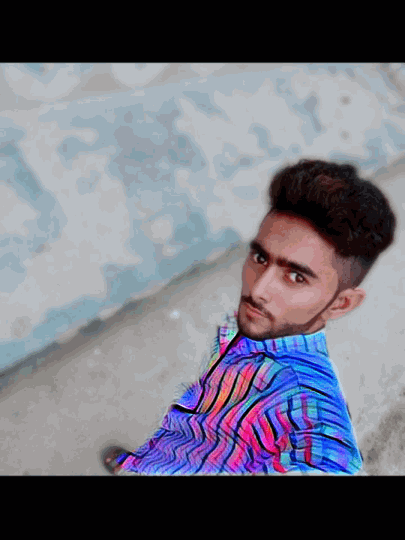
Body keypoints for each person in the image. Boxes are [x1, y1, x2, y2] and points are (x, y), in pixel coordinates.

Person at [101, 158, 397, 475]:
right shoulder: (259, 327)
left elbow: (327, 460)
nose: (258, 289)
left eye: (296, 277)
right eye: (260, 257)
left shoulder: (306, 402)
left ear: (341, 303)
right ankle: (138, 463)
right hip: (173, 453)